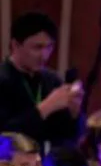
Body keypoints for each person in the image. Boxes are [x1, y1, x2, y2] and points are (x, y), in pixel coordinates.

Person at [0, 12, 82, 147]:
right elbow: (5, 135)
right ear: (15, 45)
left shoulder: (52, 80)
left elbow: (66, 137)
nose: (44, 55)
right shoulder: (3, 79)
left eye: (49, 47)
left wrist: (74, 113)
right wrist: (46, 108)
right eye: (37, 47)